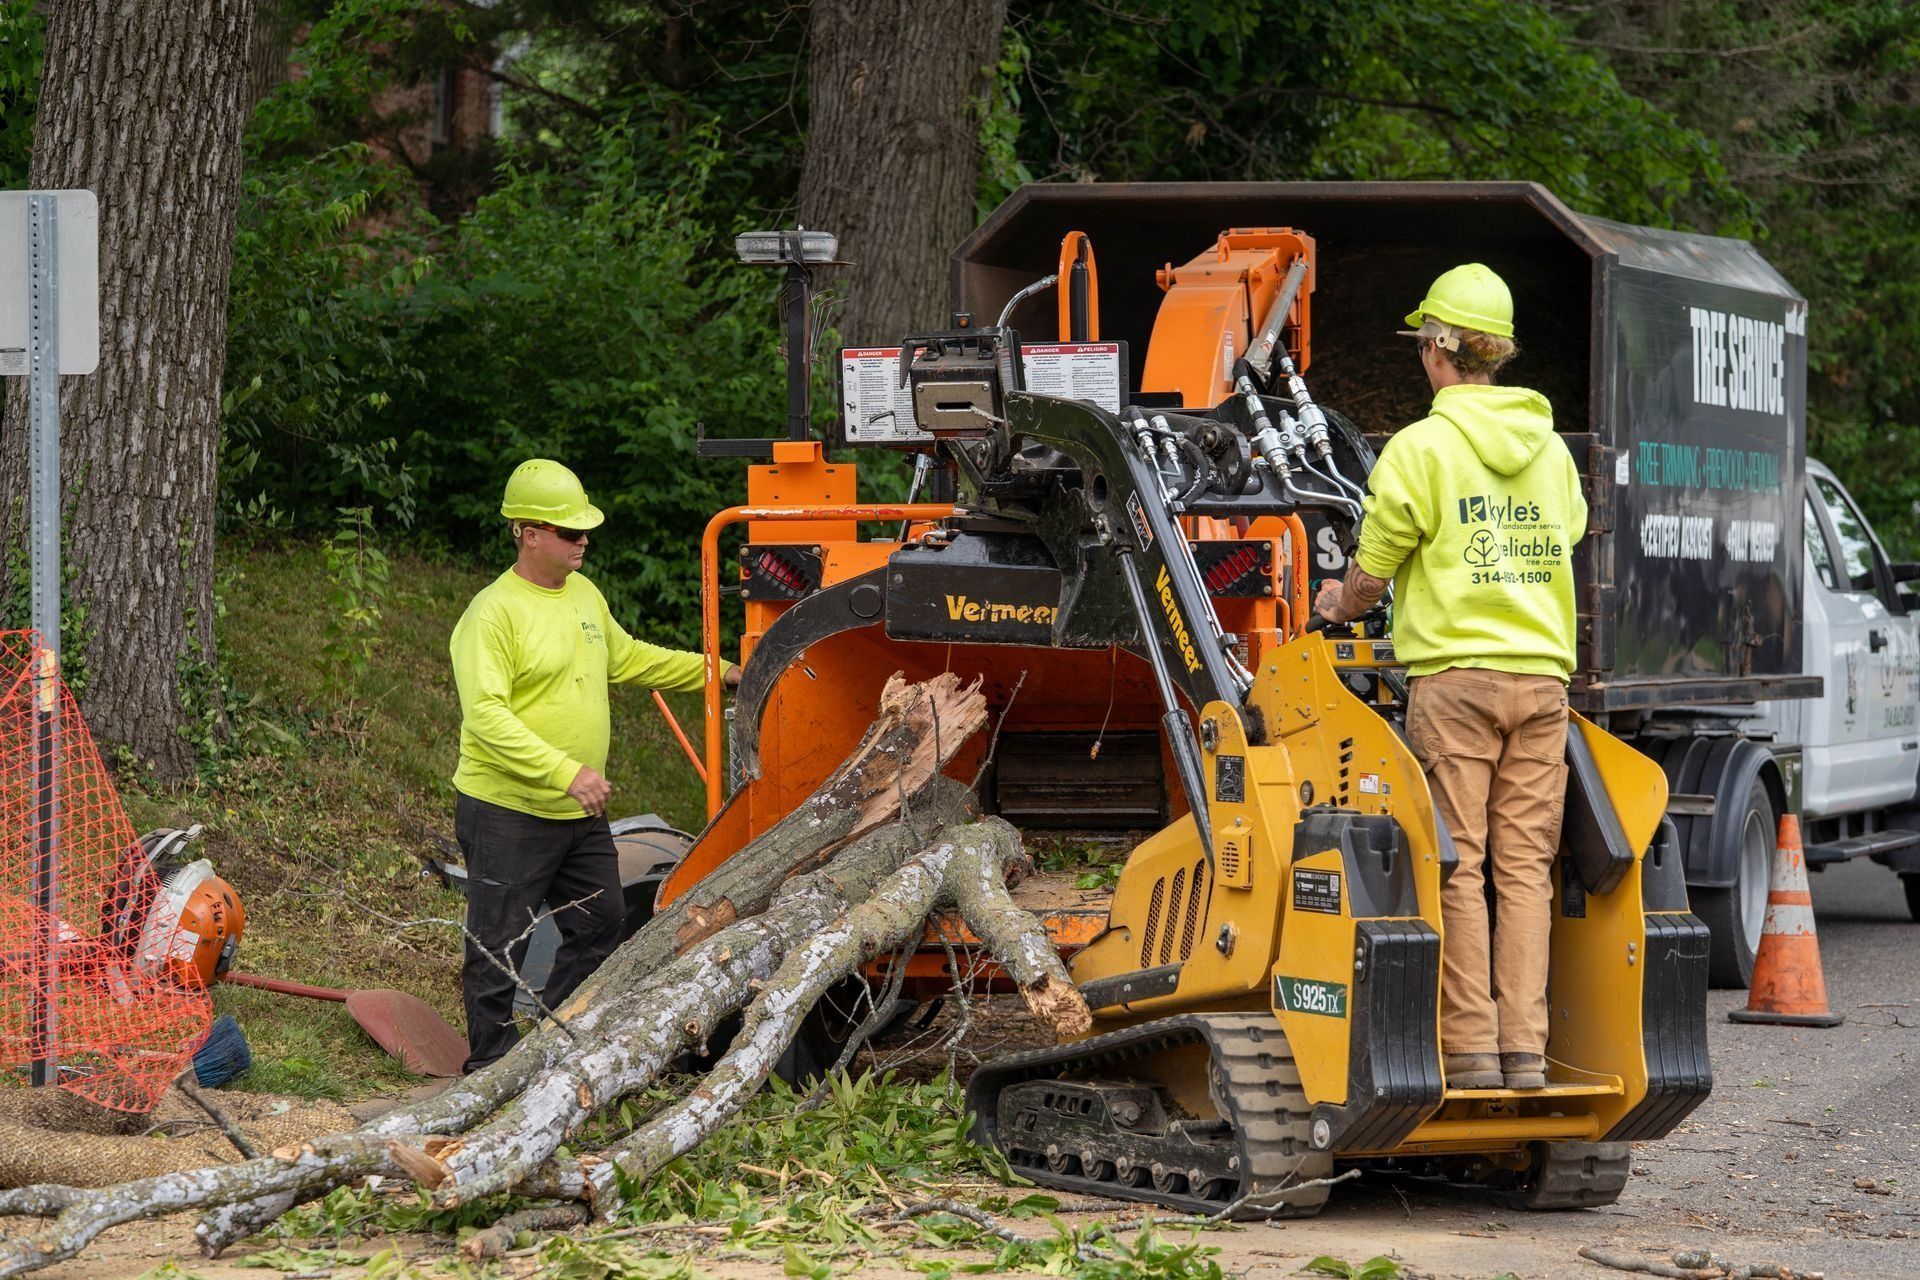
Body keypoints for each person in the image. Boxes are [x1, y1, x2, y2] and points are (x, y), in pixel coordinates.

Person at [1312, 264, 1587, 1092]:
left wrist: (1338, 600)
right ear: (1494, 352)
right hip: (1542, 687)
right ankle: (1526, 1054)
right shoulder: (1551, 450)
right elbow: (1563, 536)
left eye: (1422, 342)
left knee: (1461, 864)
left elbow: (1376, 566)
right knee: (1525, 871)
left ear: (1438, 347)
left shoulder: (1419, 449)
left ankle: (1469, 1049)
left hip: (1456, 684)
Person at [449, 458, 740, 1072]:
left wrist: (716, 673)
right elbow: (486, 718)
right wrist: (565, 772)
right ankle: (489, 1071)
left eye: (585, 531)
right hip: (508, 810)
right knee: (500, 946)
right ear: (529, 533)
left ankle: (548, 1053)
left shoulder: (583, 595)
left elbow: (629, 657)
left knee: (602, 926)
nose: (584, 542)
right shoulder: (492, 615)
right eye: (569, 532)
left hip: (577, 815)